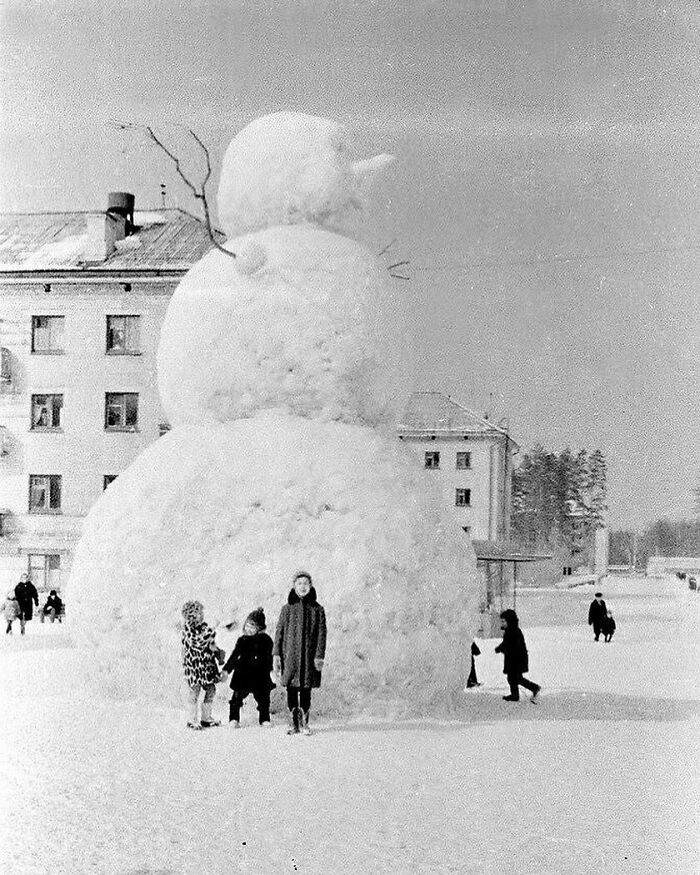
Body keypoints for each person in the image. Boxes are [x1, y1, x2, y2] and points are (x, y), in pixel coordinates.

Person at [273, 570, 327, 736]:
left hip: (309, 658)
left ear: (310, 586)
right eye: (299, 583)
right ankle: (292, 722)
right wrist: (276, 654)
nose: (303, 587)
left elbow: (321, 634)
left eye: (306, 583)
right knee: (291, 688)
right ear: (294, 586)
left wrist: (318, 655)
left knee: (305, 689)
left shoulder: (317, 610)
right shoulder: (287, 609)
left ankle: (304, 722)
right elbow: (279, 632)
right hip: (290, 657)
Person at [221, 607, 275, 728]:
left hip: (260, 674)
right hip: (243, 673)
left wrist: (271, 670)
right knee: (237, 697)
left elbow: (269, 657)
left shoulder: (266, 641)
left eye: (253, 627)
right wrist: (226, 670)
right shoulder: (242, 640)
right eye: (247, 626)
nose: (249, 629)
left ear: (259, 628)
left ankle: (264, 719)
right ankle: (234, 718)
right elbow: (235, 656)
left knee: (263, 698)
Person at [181, 600, 225, 730]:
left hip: (206, 667)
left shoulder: (203, 627)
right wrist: (212, 630)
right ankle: (192, 719)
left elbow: (209, 641)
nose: (202, 615)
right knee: (195, 691)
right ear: (191, 615)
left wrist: (216, 651)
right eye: (199, 613)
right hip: (194, 667)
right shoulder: (187, 629)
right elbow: (198, 642)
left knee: (211, 689)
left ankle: (206, 718)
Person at [495, 609, 541, 703]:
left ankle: (534, 688)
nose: (502, 623)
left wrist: (502, 649)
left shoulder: (513, 631)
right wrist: (500, 648)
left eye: (504, 621)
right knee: (513, 678)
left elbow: (511, 645)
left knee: (516, 678)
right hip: (514, 659)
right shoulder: (510, 631)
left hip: (517, 660)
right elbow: (506, 643)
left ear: (509, 621)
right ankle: (515, 695)